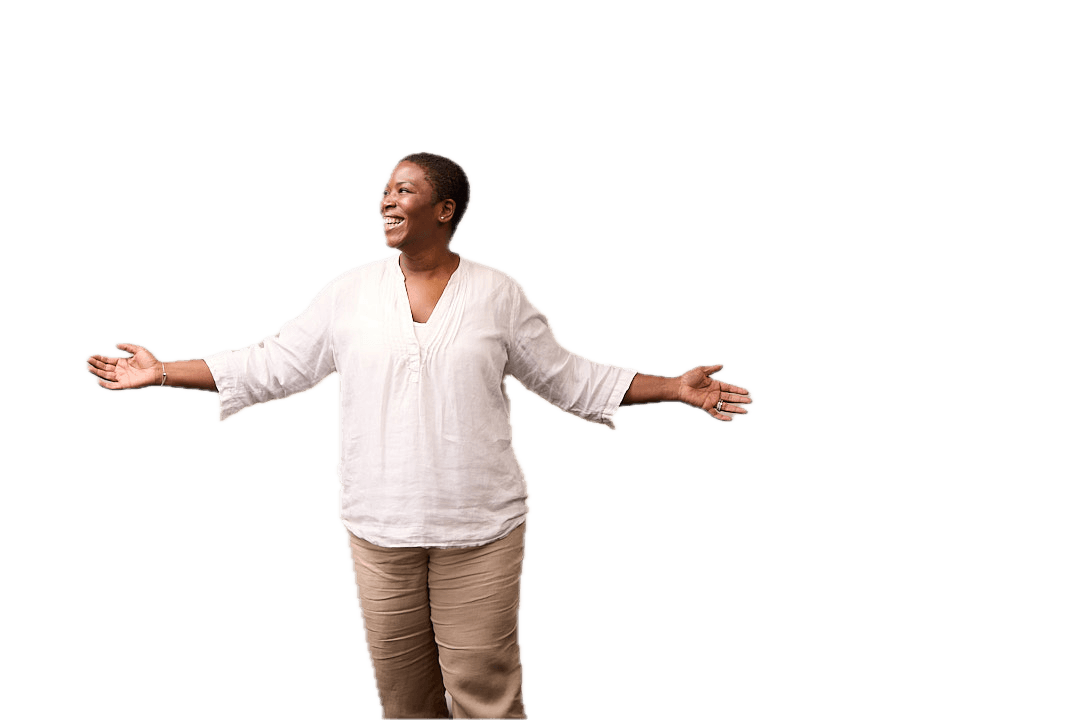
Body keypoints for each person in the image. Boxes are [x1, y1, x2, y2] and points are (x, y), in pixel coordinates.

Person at [85, 150, 755, 720]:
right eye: (384, 189)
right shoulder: (349, 293)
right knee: (403, 703)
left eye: (404, 189)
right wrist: (162, 371)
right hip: (379, 530)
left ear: (445, 209)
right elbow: (271, 365)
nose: (386, 199)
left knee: (487, 698)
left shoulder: (498, 294)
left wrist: (674, 386)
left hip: (482, 530)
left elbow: (569, 378)